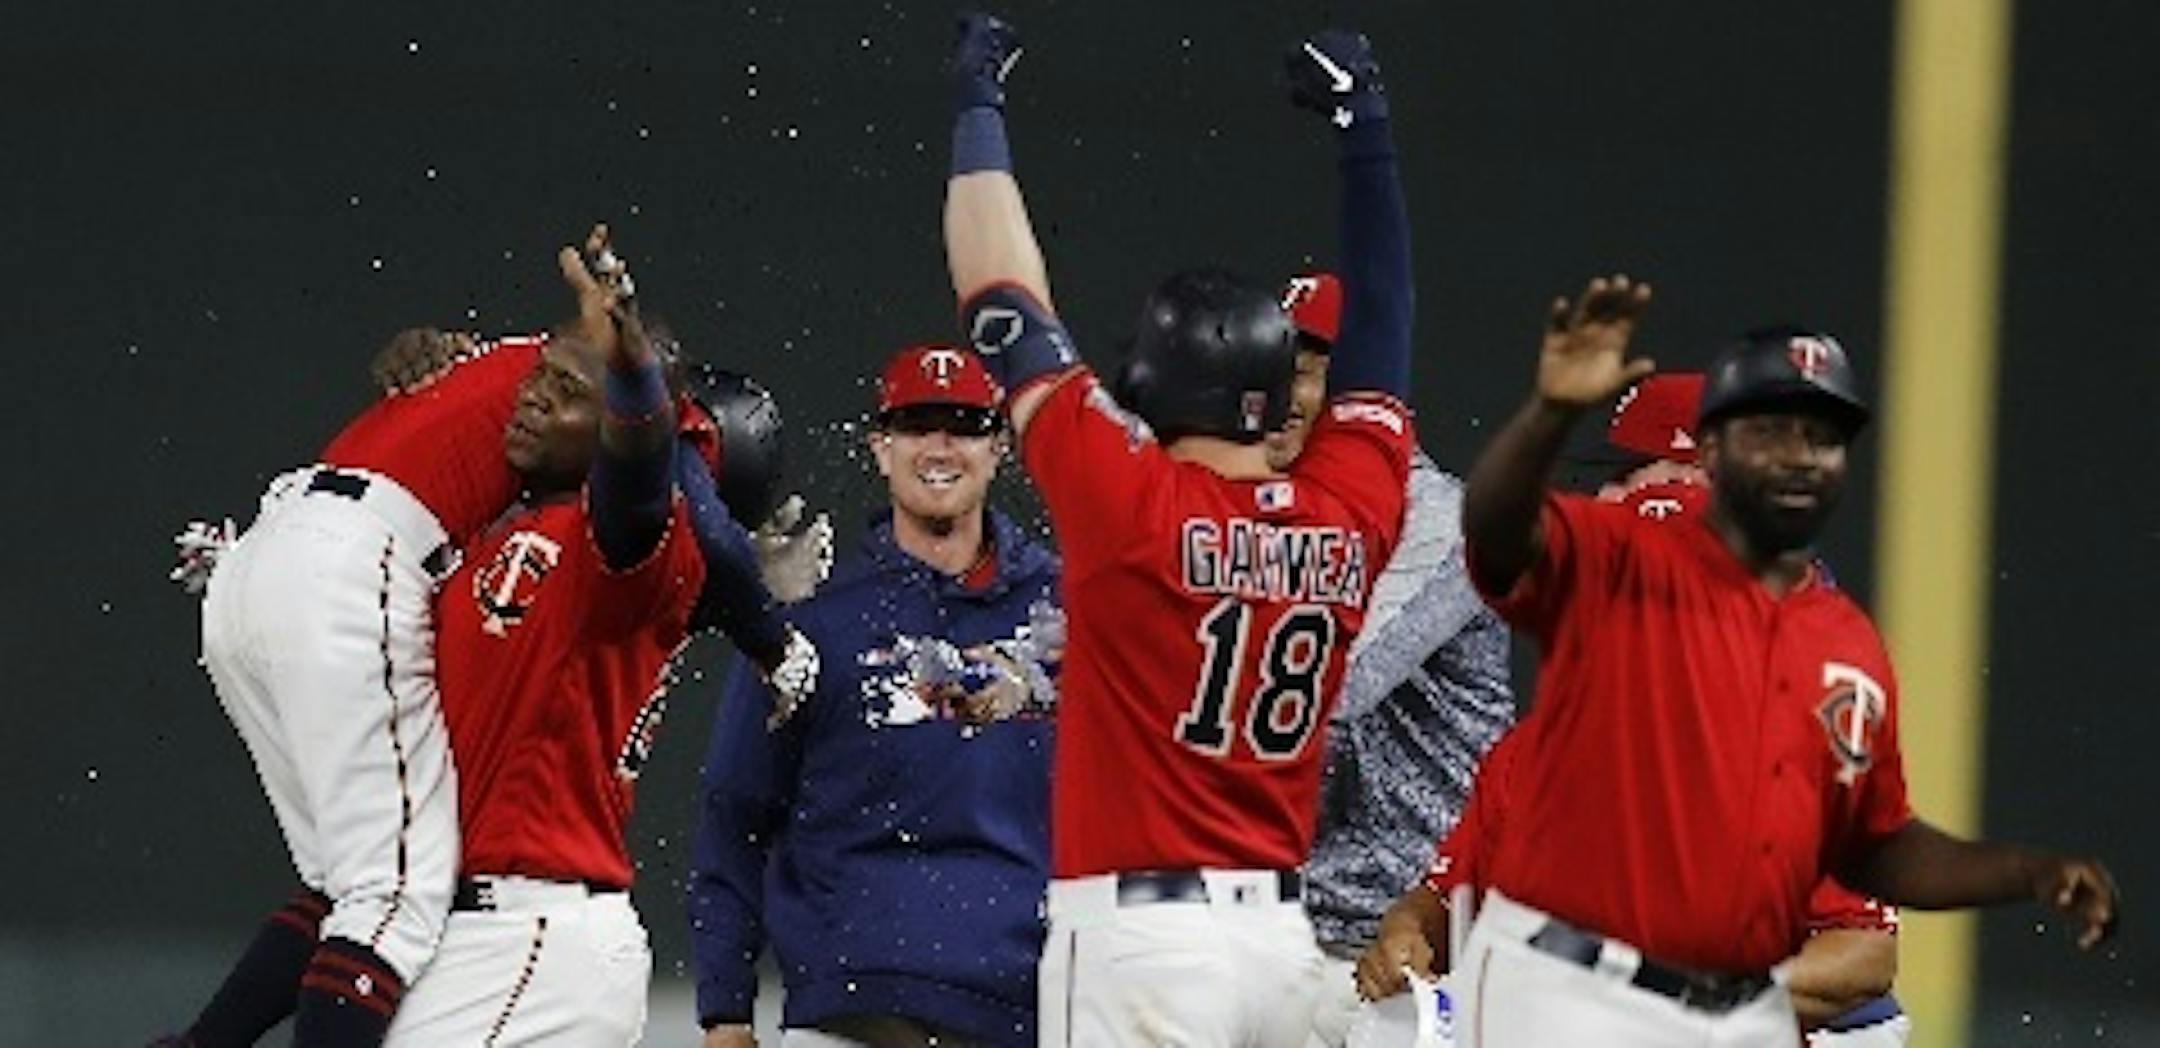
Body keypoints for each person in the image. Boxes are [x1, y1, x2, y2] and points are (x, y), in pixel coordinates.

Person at [1453, 293, 2120, 1044]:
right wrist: (1546, 415)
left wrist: (2026, 873)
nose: (1798, 456)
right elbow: (1497, 533)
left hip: (1744, 1014)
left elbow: (1875, 845)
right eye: (1769, 431)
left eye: (1821, 436)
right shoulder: (1625, 559)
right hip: (1568, 990)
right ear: (1709, 450)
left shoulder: (1846, 643)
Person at [943, 15, 1416, 1044]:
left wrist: (978, 105)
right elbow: (1382, 336)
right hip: (1284, 949)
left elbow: (998, 292)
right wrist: (1363, 129)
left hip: (1143, 942)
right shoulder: (1351, 511)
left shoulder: (1131, 500)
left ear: (1152, 385)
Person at [379, 234, 811, 1044]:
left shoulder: (624, 552)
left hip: (529, 930)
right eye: (537, 376)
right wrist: (435, 378)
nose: (536, 397)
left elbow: (641, 475)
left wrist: (633, 367)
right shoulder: (499, 533)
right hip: (479, 930)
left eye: (573, 389)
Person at [178, 282, 550, 1046]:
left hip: (262, 560)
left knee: (346, 886)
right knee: (397, 895)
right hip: (350, 564)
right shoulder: (593, 395)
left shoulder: (503, 370)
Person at [689, 344, 1062, 1048]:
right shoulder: (816, 611)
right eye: (918, 424)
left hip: (1029, 1004)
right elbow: (734, 811)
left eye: (965, 424)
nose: (940, 445)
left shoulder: (1066, 609)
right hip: (853, 1008)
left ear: (999, 447)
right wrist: (725, 1009)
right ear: (880, 447)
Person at [1271, 272, 1513, 1048]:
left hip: (1427, 942)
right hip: (1305, 934)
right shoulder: (1276, 516)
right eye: (1274, 364)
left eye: (1310, 368)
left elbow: (1322, 688)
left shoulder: (1442, 525)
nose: (1282, 391)